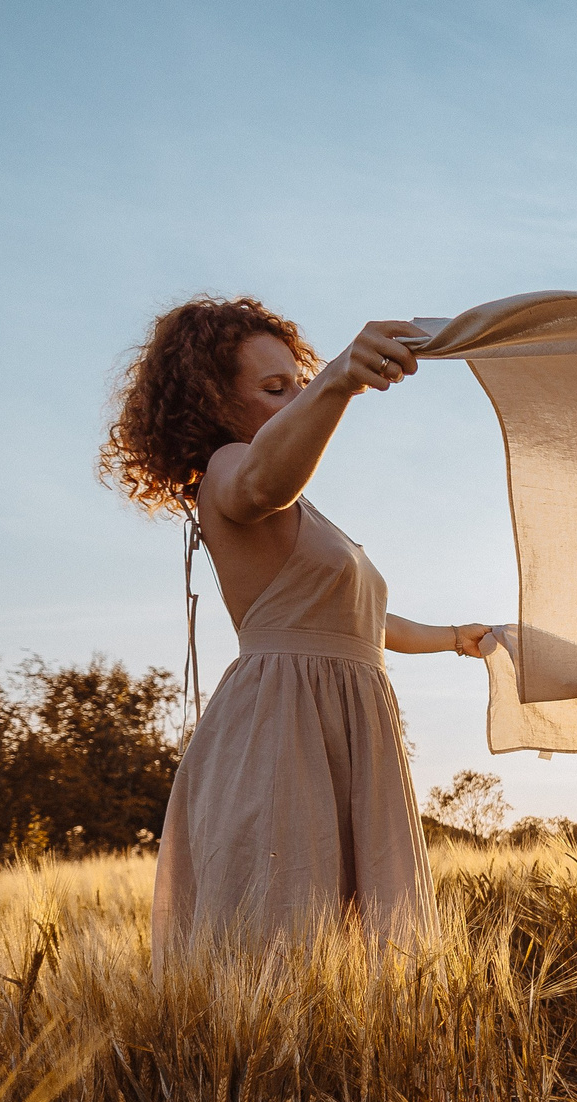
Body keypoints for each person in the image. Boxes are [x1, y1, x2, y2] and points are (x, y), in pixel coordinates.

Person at [100, 298, 495, 962]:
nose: (297, 401)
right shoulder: (229, 469)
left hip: (348, 722)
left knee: (351, 949)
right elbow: (261, 483)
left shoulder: (304, 509)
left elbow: (360, 624)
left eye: (300, 385)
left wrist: (457, 637)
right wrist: (339, 380)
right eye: (274, 388)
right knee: (280, 941)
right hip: (284, 726)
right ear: (215, 403)